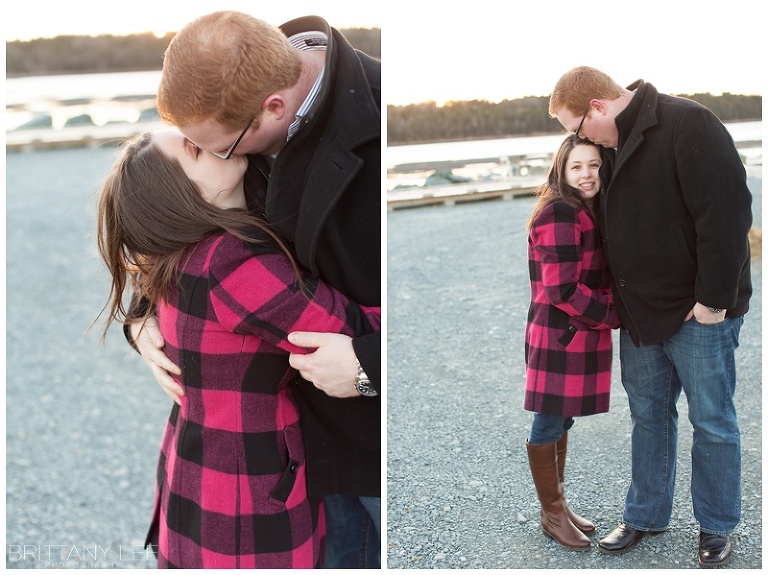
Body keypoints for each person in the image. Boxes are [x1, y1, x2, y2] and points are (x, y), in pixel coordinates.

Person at [122, 12, 382, 568]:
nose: (217, 153)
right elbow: (167, 222)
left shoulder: (384, 120)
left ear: (273, 107)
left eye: (213, 146)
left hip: (371, 446)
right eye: (195, 146)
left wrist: (369, 363)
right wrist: (141, 317)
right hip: (291, 457)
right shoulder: (227, 123)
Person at [549, 66, 752, 567]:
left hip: (698, 311)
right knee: (649, 417)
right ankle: (645, 514)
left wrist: (713, 300)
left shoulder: (689, 123)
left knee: (712, 420)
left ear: (597, 106)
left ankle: (716, 526)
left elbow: (727, 214)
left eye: (575, 128)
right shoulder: (609, 145)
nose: (579, 141)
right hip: (638, 313)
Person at [524, 134, 620, 551]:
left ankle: (559, 505)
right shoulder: (560, 212)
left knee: (562, 418)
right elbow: (562, 290)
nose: (586, 174)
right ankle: (551, 513)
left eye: (594, 166)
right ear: (561, 170)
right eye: (577, 166)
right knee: (548, 420)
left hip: (574, 333)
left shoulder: (583, 209)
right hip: (561, 335)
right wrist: (613, 315)